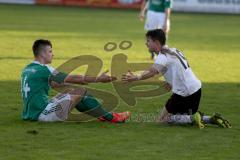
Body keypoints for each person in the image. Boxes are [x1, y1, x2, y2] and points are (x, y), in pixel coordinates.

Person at [122, 29, 231, 128]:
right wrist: (170, 82)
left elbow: (152, 71)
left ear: (156, 42)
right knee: (175, 117)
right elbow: (178, 69)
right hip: (196, 89)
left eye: (148, 41)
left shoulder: (163, 56)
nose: (146, 44)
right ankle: (211, 119)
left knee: (162, 120)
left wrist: (136, 77)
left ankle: (193, 118)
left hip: (184, 94)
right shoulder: (174, 50)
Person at [21, 39, 130, 123]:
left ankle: (102, 115)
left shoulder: (27, 69)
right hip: (42, 115)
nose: (52, 54)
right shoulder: (45, 69)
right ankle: (111, 117)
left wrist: (71, 89)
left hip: (30, 114)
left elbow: (55, 84)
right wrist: (99, 79)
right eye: (50, 51)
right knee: (80, 91)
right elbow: (73, 78)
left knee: (73, 91)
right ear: (42, 54)